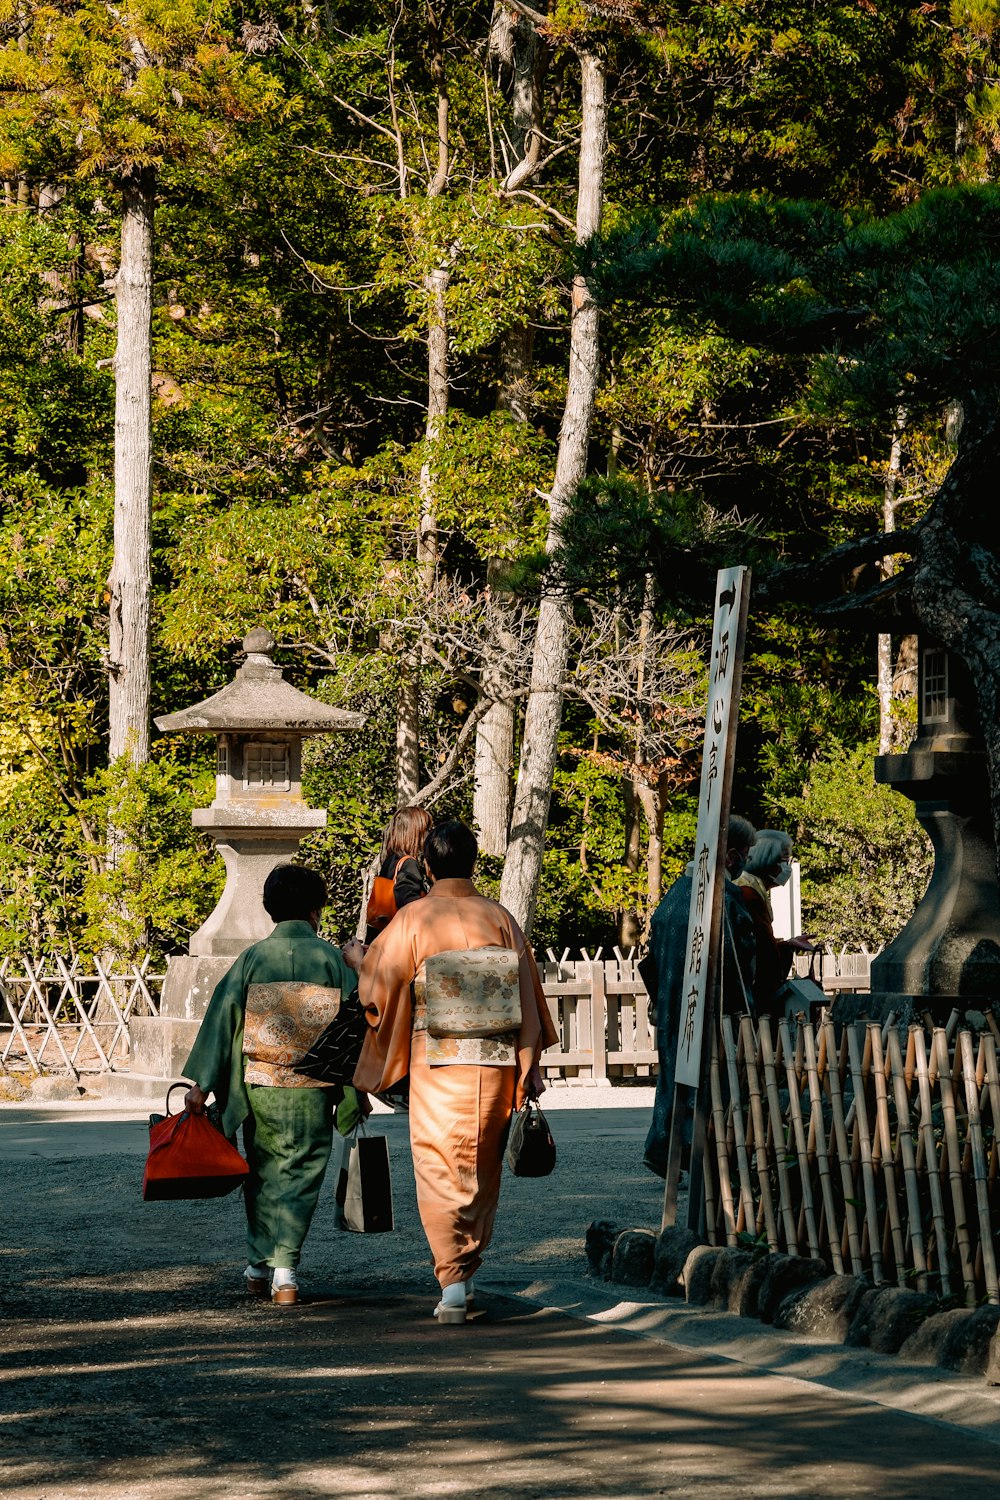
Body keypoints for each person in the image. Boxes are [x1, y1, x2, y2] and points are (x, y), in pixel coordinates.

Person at [354, 818, 558, 1324]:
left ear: (427, 865)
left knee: (438, 1164)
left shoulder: (415, 918)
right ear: (472, 862)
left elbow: (379, 987)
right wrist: (528, 1061)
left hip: (438, 1062)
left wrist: (361, 962)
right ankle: (464, 1274)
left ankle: (452, 1286)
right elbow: (527, 996)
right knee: (481, 1168)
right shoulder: (499, 916)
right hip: (494, 1064)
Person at [182, 864, 365, 1306]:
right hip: (315, 1085)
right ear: (316, 907)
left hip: (260, 1085)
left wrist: (201, 1086)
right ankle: (286, 1271)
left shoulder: (253, 959)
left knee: (262, 1174)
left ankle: (256, 1266)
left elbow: (222, 1022)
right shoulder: (330, 960)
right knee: (302, 1173)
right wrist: (357, 1087)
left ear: (269, 907)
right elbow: (360, 1020)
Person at [642, 814, 758, 1179]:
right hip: (714, 1006)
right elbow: (740, 955)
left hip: (672, 1004)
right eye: (744, 853)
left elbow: (653, 953)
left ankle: (663, 1149)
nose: (746, 862)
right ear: (729, 856)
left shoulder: (675, 895)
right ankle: (706, 1158)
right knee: (713, 1082)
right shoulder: (725, 898)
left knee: (674, 1077)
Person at [736, 829, 814, 1018]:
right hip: (753, 999)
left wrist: (788, 944)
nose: (787, 867)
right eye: (784, 861)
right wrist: (783, 949)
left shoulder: (751, 889)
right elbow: (763, 955)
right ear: (766, 860)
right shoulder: (749, 895)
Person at [364, 805, 433, 942]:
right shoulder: (409, 863)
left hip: (381, 935)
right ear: (414, 833)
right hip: (398, 939)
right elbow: (407, 901)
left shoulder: (390, 861)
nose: (429, 835)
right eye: (426, 830)